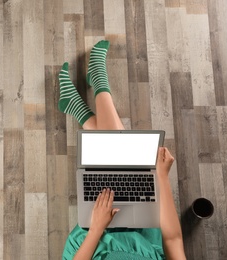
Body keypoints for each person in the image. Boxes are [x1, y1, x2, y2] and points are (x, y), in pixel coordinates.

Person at [58, 40, 186, 260]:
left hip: (93, 243)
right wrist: (162, 177)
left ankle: (95, 85)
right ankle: (86, 98)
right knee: (129, 163)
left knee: (122, 159)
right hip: (144, 239)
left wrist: (97, 227)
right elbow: (173, 241)